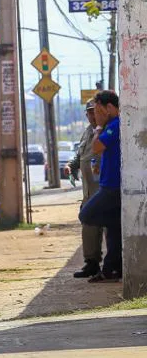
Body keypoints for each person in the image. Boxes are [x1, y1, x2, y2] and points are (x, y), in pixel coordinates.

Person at [77, 90, 122, 282]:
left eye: (98, 110)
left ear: (109, 108)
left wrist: (99, 128)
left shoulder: (114, 125)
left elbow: (97, 147)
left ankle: (108, 265)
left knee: (86, 214)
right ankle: (112, 269)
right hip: (107, 183)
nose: (95, 115)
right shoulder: (111, 125)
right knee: (113, 233)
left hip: (112, 186)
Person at [70, 99, 104, 278]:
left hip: (103, 189)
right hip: (88, 190)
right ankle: (91, 263)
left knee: (106, 226)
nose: (93, 116)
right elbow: (80, 155)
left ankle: (113, 265)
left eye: (96, 112)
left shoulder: (107, 130)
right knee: (88, 225)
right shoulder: (87, 132)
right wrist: (72, 165)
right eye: (90, 112)